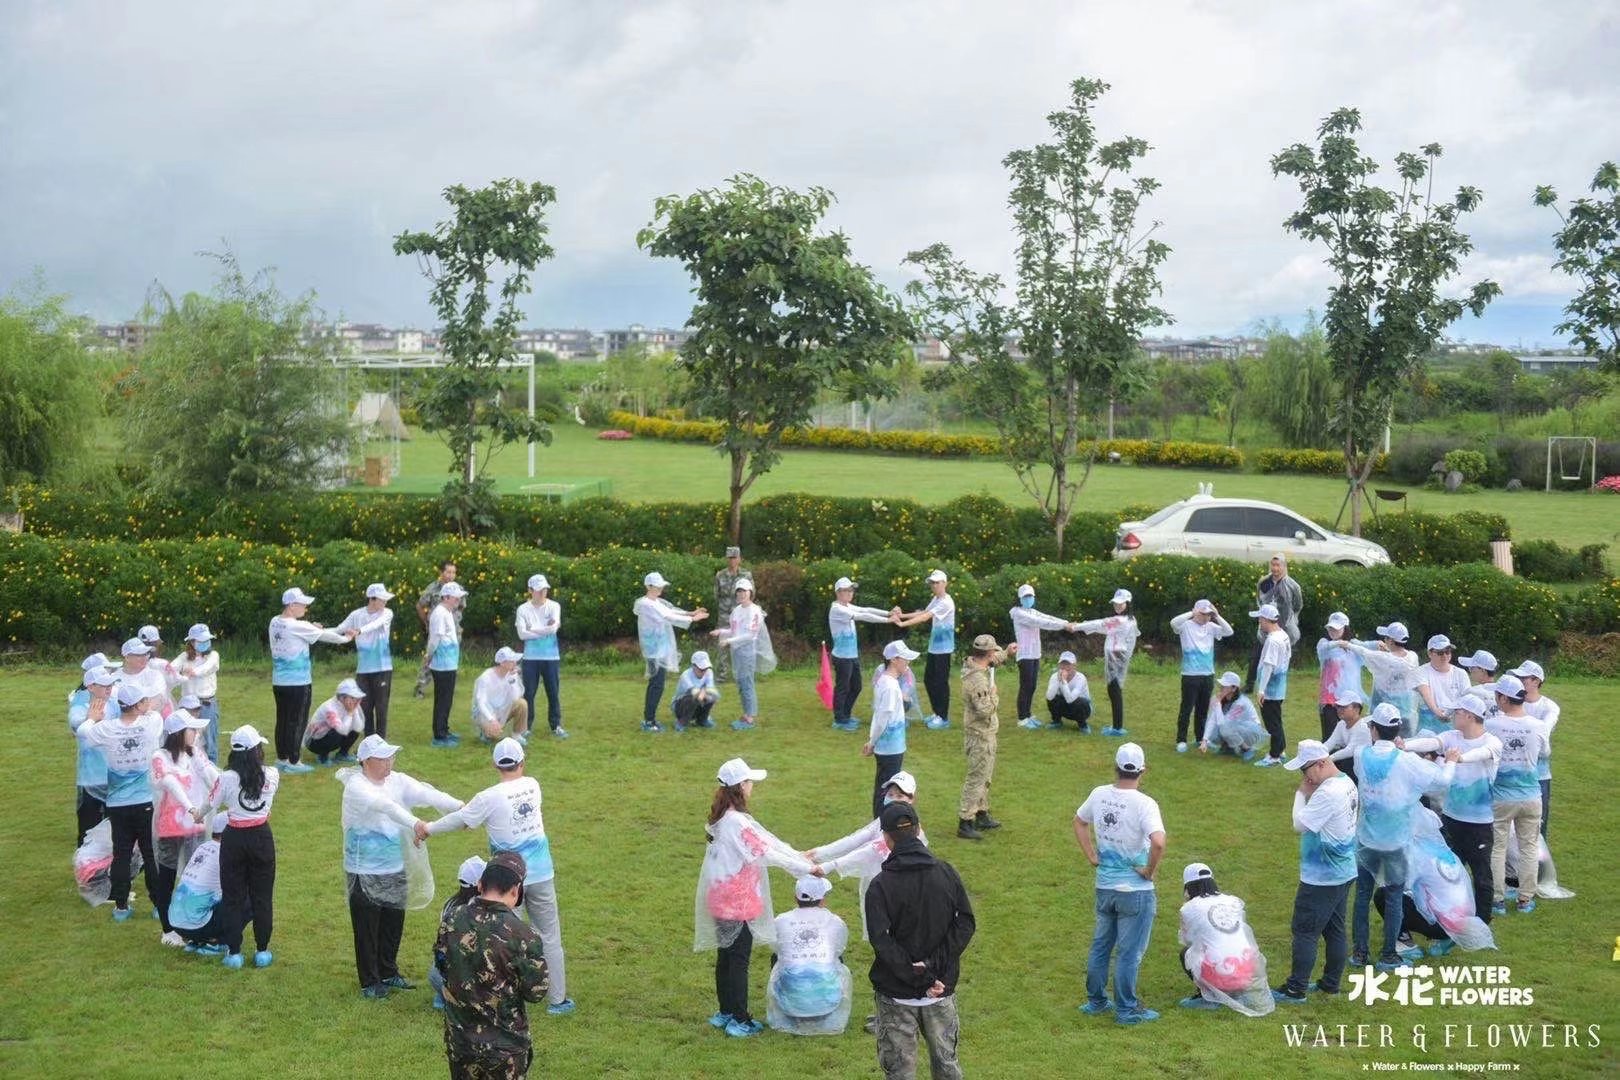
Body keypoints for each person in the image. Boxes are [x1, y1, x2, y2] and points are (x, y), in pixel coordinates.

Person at [425, 737, 576, 1016]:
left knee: (504, 936)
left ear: (496, 764)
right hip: (541, 872)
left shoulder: (488, 797)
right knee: (550, 935)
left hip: (506, 879)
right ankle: (558, 999)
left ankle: (506, 994)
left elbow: (460, 820)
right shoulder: (533, 785)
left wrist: (428, 828)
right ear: (521, 762)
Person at [696, 759, 817, 1039]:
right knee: (738, 959)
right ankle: (740, 1018)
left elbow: (767, 839)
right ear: (740, 786)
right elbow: (765, 851)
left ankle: (726, 1011)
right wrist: (806, 868)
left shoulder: (726, 817)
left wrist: (797, 855)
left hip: (720, 897)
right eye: (749, 782)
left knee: (726, 956)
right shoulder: (736, 822)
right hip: (737, 901)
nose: (752, 786)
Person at [337, 734, 463, 998]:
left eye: (391, 757)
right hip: (364, 870)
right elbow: (387, 807)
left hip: (393, 865)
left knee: (393, 920)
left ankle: (388, 971)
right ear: (365, 761)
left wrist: (462, 808)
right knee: (367, 926)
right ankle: (370, 981)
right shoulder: (357, 786)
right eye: (382, 758)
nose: (389, 762)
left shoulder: (396, 780)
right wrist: (416, 823)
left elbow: (427, 793)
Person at [864, 801, 975, 1080]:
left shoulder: (879, 886)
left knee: (900, 1073)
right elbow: (965, 923)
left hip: (898, 993)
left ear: (886, 839)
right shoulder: (946, 873)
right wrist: (931, 971)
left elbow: (881, 940)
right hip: (939, 990)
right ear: (918, 830)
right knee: (947, 1068)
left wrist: (921, 973)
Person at [1350, 705, 1455, 969]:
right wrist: (1451, 760)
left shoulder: (1361, 754)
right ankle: (1388, 955)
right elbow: (1441, 782)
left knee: (1363, 894)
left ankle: (1359, 953)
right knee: (1395, 895)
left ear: (1374, 729)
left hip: (1366, 839)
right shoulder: (1408, 762)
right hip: (1396, 841)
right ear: (1398, 731)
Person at [436, 851, 551, 1079]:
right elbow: (536, 992)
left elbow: (441, 965)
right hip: (505, 1049)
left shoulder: (452, 918)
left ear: (480, 884)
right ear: (516, 890)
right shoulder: (523, 935)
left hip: (460, 1043)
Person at [1075, 742, 1166, 1025]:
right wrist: (1149, 871)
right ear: (1143, 770)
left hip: (1105, 887)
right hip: (1135, 892)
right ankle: (1127, 1010)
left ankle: (1096, 1001)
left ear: (1115, 767)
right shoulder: (1145, 804)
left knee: (1101, 946)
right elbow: (1159, 842)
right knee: (1129, 953)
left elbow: (1079, 821)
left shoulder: (1099, 794)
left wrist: (1092, 856)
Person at [1401, 690, 1501, 925]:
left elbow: (1481, 754)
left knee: (1481, 874)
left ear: (1468, 715)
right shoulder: (1452, 736)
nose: (1453, 715)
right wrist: (1405, 744)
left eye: (1457, 712)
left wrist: (1457, 759)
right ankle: (1451, 915)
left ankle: (1483, 921)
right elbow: (1433, 742)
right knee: (1448, 871)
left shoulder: (1491, 742)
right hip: (1451, 818)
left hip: (1479, 823)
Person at [1273, 739, 1358, 1002]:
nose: (1305, 776)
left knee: (1305, 931)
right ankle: (1330, 983)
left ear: (1321, 763)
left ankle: (1296, 988)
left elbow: (1300, 824)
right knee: (1335, 929)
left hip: (1321, 876)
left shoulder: (1328, 792)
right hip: (1343, 870)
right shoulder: (1347, 783)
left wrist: (1301, 793)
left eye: (1305, 770)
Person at [78, 681, 164, 923]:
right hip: (145, 801)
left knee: (121, 854)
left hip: (117, 803)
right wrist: (148, 708)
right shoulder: (150, 724)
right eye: (144, 701)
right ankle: (158, 905)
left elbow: (84, 732)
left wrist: (92, 717)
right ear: (138, 705)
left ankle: (122, 907)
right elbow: (155, 714)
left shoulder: (107, 728)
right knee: (150, 853)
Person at [809, 770, 929, 941]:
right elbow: (855, 840)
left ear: (911, 800)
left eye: (900, 795)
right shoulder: (883, 821)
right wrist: (818, 853)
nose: (893, 799)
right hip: (881, 887)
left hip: (899, 891)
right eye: (890, 794)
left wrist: (829, 865)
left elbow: (870, 851)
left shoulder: (904, 828)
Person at [205, 724, 281, 969]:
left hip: (234, 837)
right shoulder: (272, 774)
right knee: (262, 896)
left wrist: (195, 813)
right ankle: (262, 950)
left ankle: (234, 951)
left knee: (233, 896)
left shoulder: (225, 778)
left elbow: (210, 804)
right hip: (261, 837)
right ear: (256, 750)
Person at [269, 587, 356, 774]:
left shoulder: (275, 622)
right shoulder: (298, 626)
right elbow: (327, 636)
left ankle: (282, 758)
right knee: (297, 721)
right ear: (291, 605)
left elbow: (308, 630)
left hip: (279, 683)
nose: (305, 609)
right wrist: (347, 638)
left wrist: (312, 627)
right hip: (298, 684)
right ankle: (294, 761)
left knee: (283, 720)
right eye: (303, 605)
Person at [151, 708, 219, 946]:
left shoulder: (195, 754)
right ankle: (168, 930)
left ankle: (193, 924)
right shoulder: (160, 757)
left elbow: (211, 774)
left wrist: (228, 793)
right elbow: (169, 782)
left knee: (197, 878)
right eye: (192, 729)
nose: (197, 732)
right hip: (170, 829)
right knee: (167, 879)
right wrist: (191, 808)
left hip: (196, 827)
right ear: (179, 733)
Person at [1483, 675, 1548, 916]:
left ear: (1502, 698)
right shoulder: (1538, 725)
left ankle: (1497, 899)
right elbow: (1545, 752)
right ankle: (1525, 898)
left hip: (1501, 797)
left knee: (1497, 847)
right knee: (1528, 846)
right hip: (1531, 795)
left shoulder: (1492, 725)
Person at [1175, 863, 1272, 1016]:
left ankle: (1207, 996)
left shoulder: (1188, 908)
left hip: (1221, 972)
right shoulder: (1233, 901)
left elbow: (1187, 940)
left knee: (1186, 953)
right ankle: (1238, 990)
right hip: (1247, 969)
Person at [766, 874, 853, 1036]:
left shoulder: (781, 921)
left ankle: (791, 999)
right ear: (822, 900)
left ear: (795, 897)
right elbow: (839, 949)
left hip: (789, 1005)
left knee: (777, 958)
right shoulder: (835, 921)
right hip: (828, 1004)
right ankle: (821, 1000)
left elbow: (775, 947)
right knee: (835, 959)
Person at [635, 571, 708, 733]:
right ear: (649, 586)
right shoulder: (647, 604)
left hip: (659, 650)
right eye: (658, 586)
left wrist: (691, 613)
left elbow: (672, 611)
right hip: (654, 652)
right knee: (657, 685)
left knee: (657, 684)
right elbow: (668, 616)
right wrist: (692, 619)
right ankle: (649, 721)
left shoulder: (655, 602)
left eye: (662, 586)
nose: (661, 588)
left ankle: (650, 719)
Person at [957, 635, 1012, 841]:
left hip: (984, 733)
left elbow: (994, 660)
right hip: (980, 734)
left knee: (985, 776)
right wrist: (994, 694)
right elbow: (985, 709)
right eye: (993, 652)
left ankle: (981, 812)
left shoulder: (974, 665)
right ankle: (965, 821)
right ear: (987, 653)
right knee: (976, 778)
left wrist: (1007, 652)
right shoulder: (978, 680)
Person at [829, 576, 899, 732]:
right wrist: (888, 621)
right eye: (847, 590)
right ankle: (839, 719)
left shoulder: (847, 606)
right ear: (838, 592)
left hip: (851, 656)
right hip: (842, 657)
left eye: (851, 590)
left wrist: (888, 613)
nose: (850, 593)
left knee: (856, 686)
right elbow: (863, 616)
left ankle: (845, 715)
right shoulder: (837, 609)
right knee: (843, 687)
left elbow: (866, 609)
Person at [894, 569, 957, 731]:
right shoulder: (936, 599)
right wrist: (902, 616)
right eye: (932, 583)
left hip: (944, 650)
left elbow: (924, 618)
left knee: (940, 683)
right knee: (929, 680)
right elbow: (922, 612)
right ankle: (937, 713)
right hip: (934, 648)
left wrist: (902, 624)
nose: (934, 586)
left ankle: (943, 717)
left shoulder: (946, 602)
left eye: (937, 583)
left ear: (945, 583)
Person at [1009, 583, 1078, 731]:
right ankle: (1022, 718)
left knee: (1032, 686)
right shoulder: (1019, 613)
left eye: (1030, 596)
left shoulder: (1033, 611)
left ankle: (1028, 715)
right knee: (1026, 686)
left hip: (1035, 653)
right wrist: (1064, 627)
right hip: (1025, 655)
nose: (1028, 599)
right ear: (1020, 598)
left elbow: (1047, 617)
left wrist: (1065, 622)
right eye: (1025, 596)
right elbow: (1041, 622)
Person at [1169, 599, 1234, 752]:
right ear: (1196, 612)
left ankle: (1200, 738)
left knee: (1202, 709)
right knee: (1186, 708)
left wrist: (1217, 616)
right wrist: (1192, 613)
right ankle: (1181, 739)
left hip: (1208, 674)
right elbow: (1173, 622)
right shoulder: (1185, 626)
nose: (1206, 617)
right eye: (1203, 614)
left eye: (1208, 614)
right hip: (1190, 675)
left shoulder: (1211, 626)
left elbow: (1229, 631)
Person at [1335, 622, 1420, 735]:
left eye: (1386, 638)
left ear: (1390, 641)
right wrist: (1387, 653)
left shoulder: (1383, 658)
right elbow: (1393, 661)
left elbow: (1365, 652)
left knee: (1382, 743)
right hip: (1407, 712)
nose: (1384, 640)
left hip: (1384, 716)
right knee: (1405, 746)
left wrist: (1347, 645)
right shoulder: (1413, 657)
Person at [713, 577, 775, 731]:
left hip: (747, 651)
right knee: (740, 683)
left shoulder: (755, 611)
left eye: (744, 591)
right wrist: (721, 632)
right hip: (737, 651)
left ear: (750, 593)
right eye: (738, 591)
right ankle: (746, 713)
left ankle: (749, 717)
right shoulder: (736, 611)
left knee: (747, 683)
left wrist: (729, 641)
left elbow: (750, 635)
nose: (741, 594)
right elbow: (734, 631)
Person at [865, 641, 917, 819]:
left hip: (889, 747)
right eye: (905, 659)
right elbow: (881, 718)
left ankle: (883, 825)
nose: (907, 663)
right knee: (887, 789)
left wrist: (872, 740)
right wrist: (872, 742)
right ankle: (881, 826)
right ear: (894, 660)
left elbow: (878, 715)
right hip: (890, 748)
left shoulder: (885, 682)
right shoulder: (890, 686)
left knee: (884, 786)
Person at [1076, 589, 1138, 737]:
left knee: (1114, 691)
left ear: (1128, 604)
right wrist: (1084, 626)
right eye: (1115, 604)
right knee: (1114, 691)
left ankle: (1117, 727)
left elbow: (1101, 624)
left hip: (1116, 658)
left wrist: (1077, 626)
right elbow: (1104, 628)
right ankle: (1117, 725)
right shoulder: (1130, 620)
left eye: (1120, 604)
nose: (1117, 606)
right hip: (1117, 658)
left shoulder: (1121, 620)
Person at [69, 658, 118, 846]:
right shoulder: (80, 708)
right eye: (104, 685)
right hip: (90, 779)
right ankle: (87, 871)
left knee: (115, 832)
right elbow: (76, 725)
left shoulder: (114, 705)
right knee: (88, 833)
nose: (109, 688)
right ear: (90, 687)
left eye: (110, 684)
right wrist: (90, 719)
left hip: (115, 776)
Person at [339, 584, 396, 738]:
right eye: (382, 599)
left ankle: (381, 743)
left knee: (381, 708)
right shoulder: (356, 615)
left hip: (383, 669)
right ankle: (369, 741)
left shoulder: (387, 613)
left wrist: (359, 631)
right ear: (372, 599)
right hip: (363, 671)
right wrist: (318, 631)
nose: (385, 602)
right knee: (365, 708)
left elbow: (375, 625)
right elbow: (340, 628)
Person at [169, 813, 231, 954]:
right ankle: (214, 941)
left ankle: (196, 940)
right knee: (250, 897)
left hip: (175, 922)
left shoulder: (202, 847)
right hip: (197, 924)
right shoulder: (226, 852)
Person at [431, 856, 487, 1010]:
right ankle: (456, 998)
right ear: (479, 884)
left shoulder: (450, 903)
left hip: (439, 971)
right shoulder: (479, 909)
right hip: (463, 975)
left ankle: (443, 995)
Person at [515, 574, 566, 739]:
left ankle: (556, 725)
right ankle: (526, 727)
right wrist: (542, 629)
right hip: (530, 658)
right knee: (528, 693)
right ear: (530, 590)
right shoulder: (523, 609)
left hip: (551, 657)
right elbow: (522, 635)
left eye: (545, 589)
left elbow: (553, 630)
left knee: (553, 692)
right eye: (538, 590)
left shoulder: (554, 606)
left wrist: (533, 629)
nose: (543, 592)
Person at [1512, 660, 1559, 839]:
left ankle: (1539, 867)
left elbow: (1543, 735)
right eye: (1518, 677)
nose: (1519, 681)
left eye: (1523, 678)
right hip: (1511, 775)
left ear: (1536, 681)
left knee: (1537, 831)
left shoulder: (1549, 707)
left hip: (1539, 776)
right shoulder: (1513, 702)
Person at [1246, 554, 1302, 691]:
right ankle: (1250, 684)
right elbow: (1259, 599)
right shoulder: (1263, 582)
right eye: (1273, 565)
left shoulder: (1293, 586)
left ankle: (1274, 685)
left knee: (1279, 659)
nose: (1275, 568)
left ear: (1284, 566)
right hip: (1264, 627)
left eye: (1278, 565)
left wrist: (1288, 619)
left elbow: (1297, 605)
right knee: (1256, 655)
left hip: (1283, 628)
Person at [425, 580, 470, 747]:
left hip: (449, 663)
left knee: (447, 699)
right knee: (443, 700)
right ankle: (439, 736)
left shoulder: (447, 612)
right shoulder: (439, 613)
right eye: (456, 597)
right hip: (442, 665)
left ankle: (444, 729)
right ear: (446, 597)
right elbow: (434, 639)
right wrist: (429, 655)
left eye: (459, 597)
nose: (458, 600)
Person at [1251, 603, 1293, 768]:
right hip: (1279, 688)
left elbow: (1269, 665)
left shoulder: (1273, 640)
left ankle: (1274, 755)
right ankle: (1280, 750)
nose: (1259, 622)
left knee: (1272, 723)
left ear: (1266, 619)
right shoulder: (1283, 635)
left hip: (1271, 689)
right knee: (1276, 720)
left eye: (1260, 619)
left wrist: (1261, 690)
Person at [171, 624, 221, 761]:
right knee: (186, 740)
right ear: (192, 642)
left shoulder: (213, 655)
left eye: (207, 640)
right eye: (200, 641)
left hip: (207, 704)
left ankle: (213, 772)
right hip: (187, 707)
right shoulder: (184, 657)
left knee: (210, 741)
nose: (205, 643)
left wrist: (192, 672)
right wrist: (176, 671)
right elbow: (172, 667)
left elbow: (208, 667)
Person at [415, 560, 461, 699]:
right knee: (431, 657)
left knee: (451, 658)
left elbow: (461, 607)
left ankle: (448, 685)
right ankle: (420, 687)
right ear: (441, 573)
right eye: (448, 572)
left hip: (454, 631)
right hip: (438, 630)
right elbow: (420, 605)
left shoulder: (458, 589)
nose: (451, 575)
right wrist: (426, 622)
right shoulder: (433, 588)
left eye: (453, 572)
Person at [1315, 612, 1362, 741]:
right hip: (1329, 700)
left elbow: (1366, 647)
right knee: (1330, 736)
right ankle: (1329, 760)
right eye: (1330, 628)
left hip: (1350, 700)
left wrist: (1378, 644)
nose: (1332, 631)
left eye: (1336, 628)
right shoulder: (1324, 643)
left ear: (1345, 628)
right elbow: (1322, 649)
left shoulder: (1353, 644)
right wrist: (1339, 643)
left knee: (1351, 735)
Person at [1414, 634, 1471, 735]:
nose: (1445, 656)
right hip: (1429, 723)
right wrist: (1436, 711)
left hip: (1454, 722)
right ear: (1429, 653)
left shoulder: (1460, 673)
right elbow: (1425, 693)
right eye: (1440, 653)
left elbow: (1467, 699)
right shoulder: (1421, 672)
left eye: (1447, 652)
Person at [1200, 671, 1265, 759]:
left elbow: (1223, 723)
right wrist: (1204, 740)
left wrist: (1218, 704)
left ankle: (1246, 749)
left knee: (1224, 728)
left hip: (1251, 731)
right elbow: (1212, 720)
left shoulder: (1240, 703)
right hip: (1235, 726)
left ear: (1234, 689)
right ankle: (1228, 747)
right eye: (1221, 685)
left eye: (1225, 685)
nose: (1221, 687)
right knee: (1213, 732)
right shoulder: (1223, 698)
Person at [472, 648, 529, 742]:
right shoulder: (486, 677)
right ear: (502, 663)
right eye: (511, 661)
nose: (515, 663)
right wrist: (491, 720)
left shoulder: (511, 674)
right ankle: (485, 731)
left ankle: (516, 734)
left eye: (515, 660)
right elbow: (481, 703)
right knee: (493, 736)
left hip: (503, 709)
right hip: (487, 713)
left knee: (522, 703)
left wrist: (512, 680)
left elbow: (516, 697)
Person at [306, 678, 367, 765]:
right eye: (353, 697)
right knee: (337, 731)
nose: (356, 700)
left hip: (330, 735)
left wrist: (355, 709)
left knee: (354, 730)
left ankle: (342, 754)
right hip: (314, 741)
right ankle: (323, 756)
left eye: (357, 698)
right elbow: (342, 730)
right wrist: (350, 714)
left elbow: (358, 727)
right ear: (342, 698)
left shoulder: (350, 704)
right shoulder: (330, 708)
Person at [1320, 689, 1371, 785]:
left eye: (1344, 707)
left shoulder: (1362, 727)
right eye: (1338, 707)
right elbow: (1330, 743)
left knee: (1345, 762)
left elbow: (1350, 750)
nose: (1339, 710)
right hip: (1352, 759)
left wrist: (1328, 759)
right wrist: (1317, 755)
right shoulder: (1341, 724)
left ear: (1356, 709)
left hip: (1363, 765)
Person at [713, 546, 748, 683]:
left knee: (741, 643)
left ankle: (741, 674)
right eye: (730, 558)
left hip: (741, 616)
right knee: (722, 645)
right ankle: (721, 675)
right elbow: (716, 595)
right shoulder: (720, 575)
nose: (732, 560)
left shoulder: (746, 575)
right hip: (724, 615)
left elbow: (751, 594)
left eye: (734, 557)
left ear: (739, 559)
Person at [1044, 651, 1092, 732]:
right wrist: (1057, 680)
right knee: (1054, 698)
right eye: (1062, 664)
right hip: (1067, 706)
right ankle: (1057, 721)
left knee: (1080, 702)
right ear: (1059, 665)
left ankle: (1083, 725)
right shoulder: (1055, 676)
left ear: (1074, 665)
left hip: (1083, 708)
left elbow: (1070, 699)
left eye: (1068, 664)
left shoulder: (1081, 678)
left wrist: (1064, 681)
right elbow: (1049, 697)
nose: (1065, 667)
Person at [672, 651, 720, 731]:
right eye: (701, 669)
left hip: (698, 701)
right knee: (693, 697)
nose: (704, 671)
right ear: (693, 666)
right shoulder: (685, 675)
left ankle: (702, 720)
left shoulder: (709, 672)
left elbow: (712, 689)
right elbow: (693, 691)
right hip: (680, 706)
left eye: (706, 668)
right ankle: (681, 722)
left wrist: (709, 694)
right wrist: (705, 693)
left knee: (711, 695)